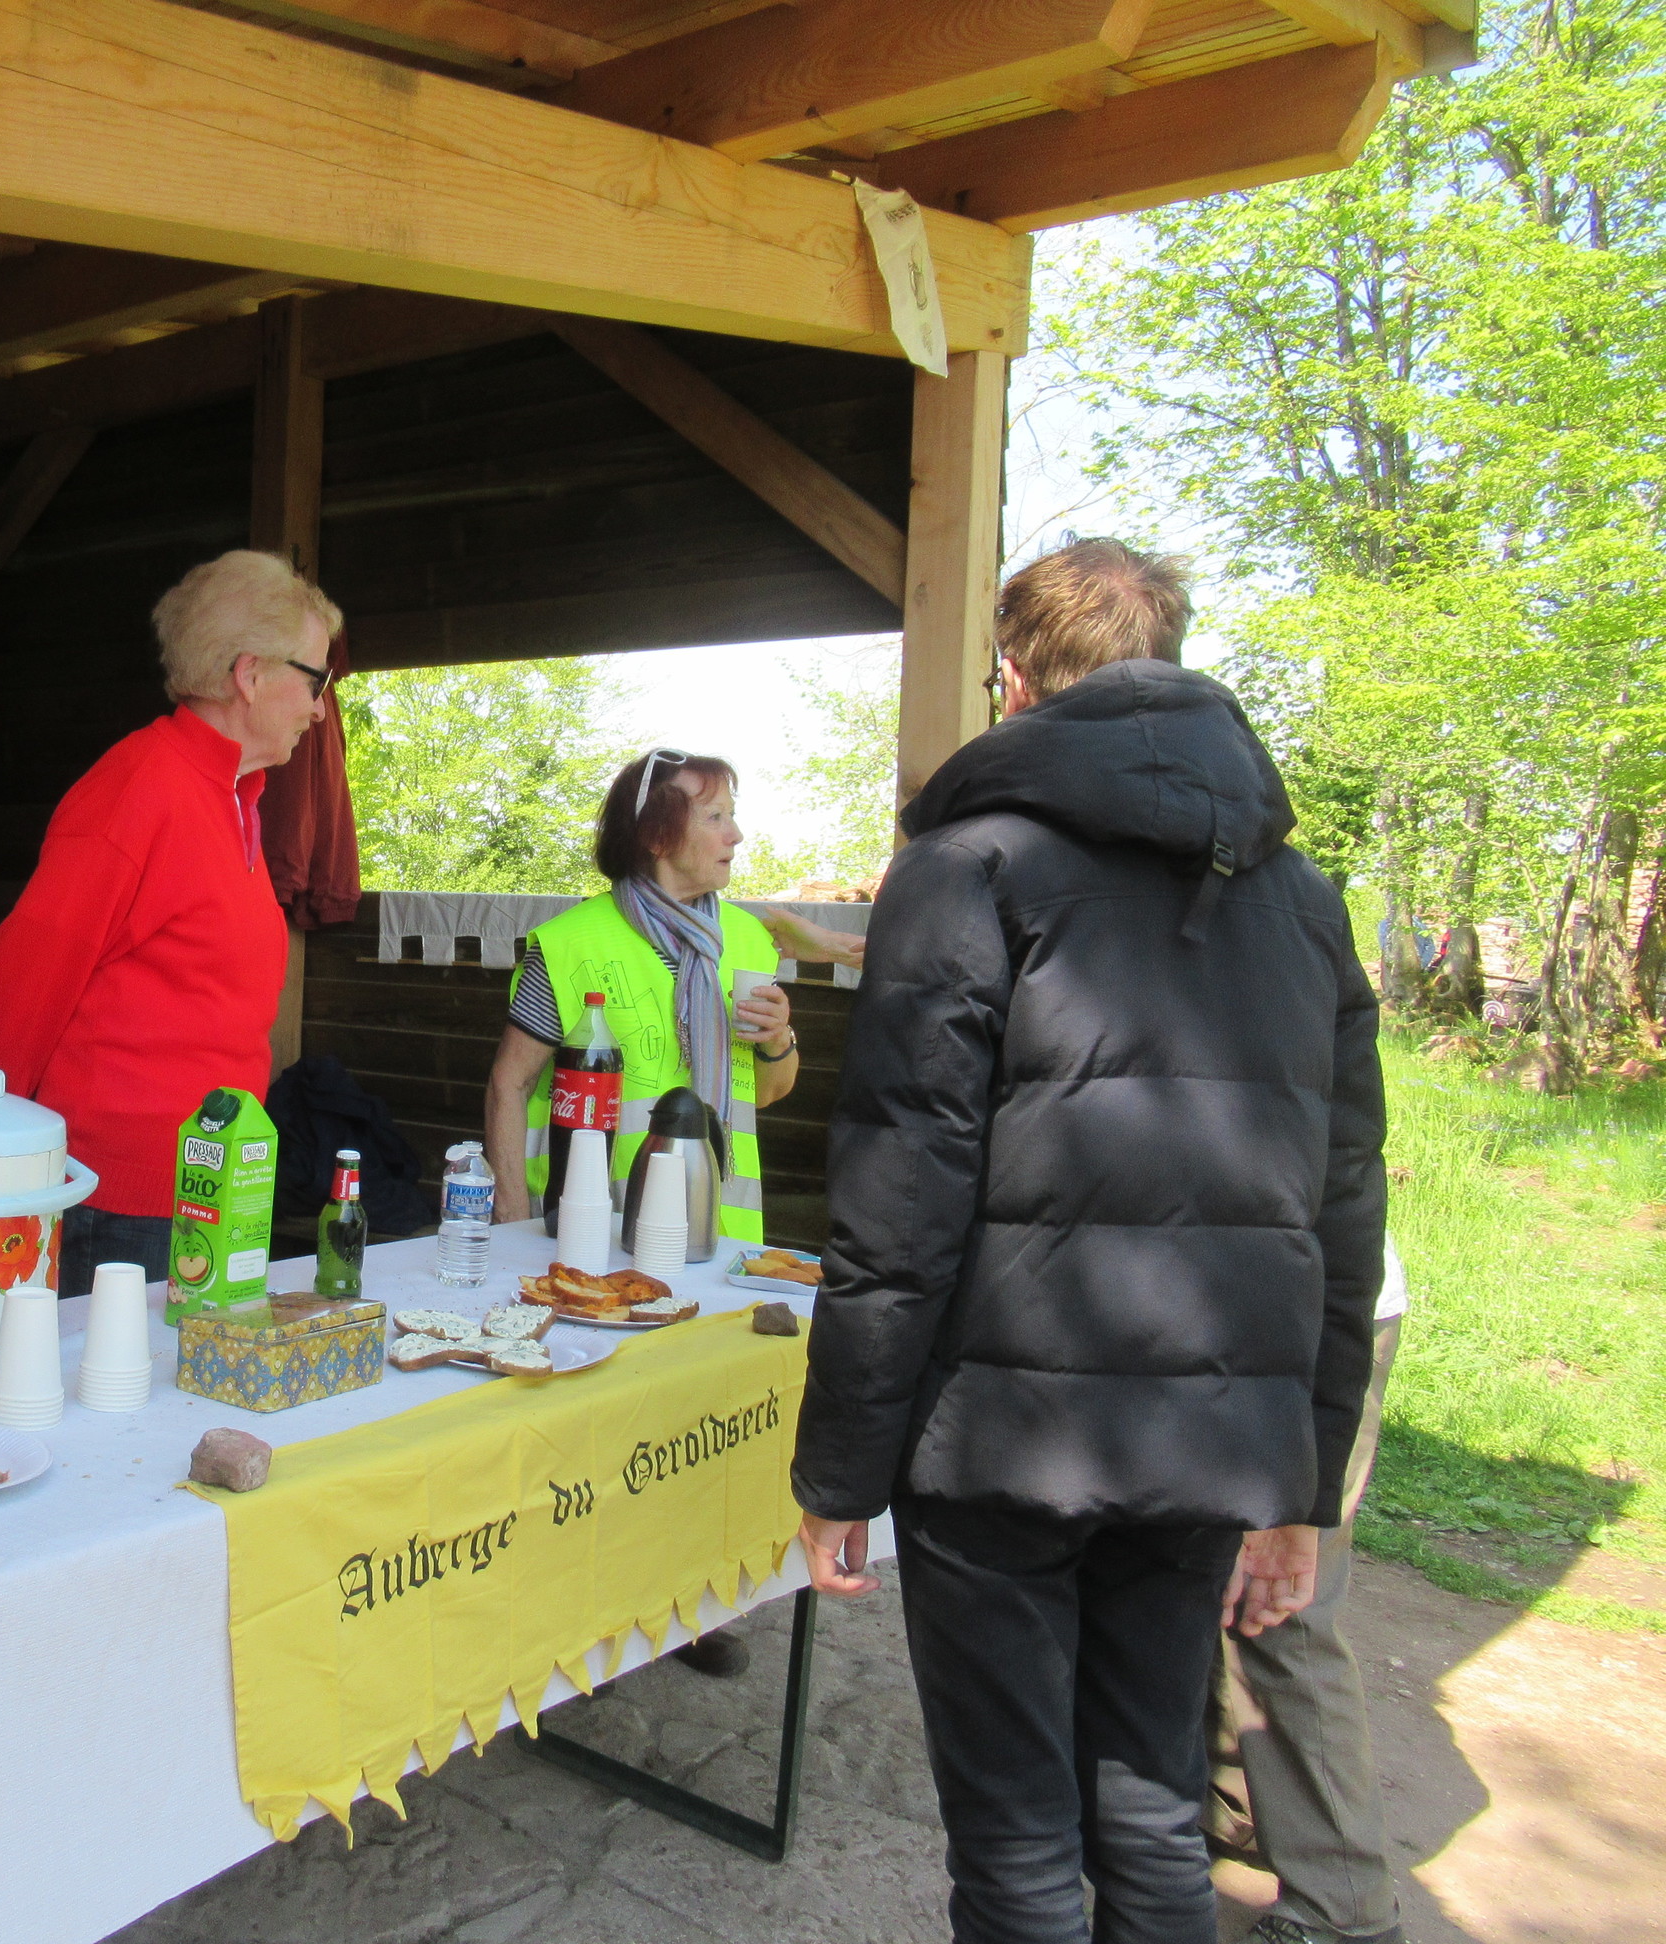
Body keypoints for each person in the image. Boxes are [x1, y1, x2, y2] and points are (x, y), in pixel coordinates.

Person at [789, 538, 1387, 1943]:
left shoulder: (963, 867)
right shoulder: (1304, 901)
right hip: (1207, 1441)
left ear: (1013, 677)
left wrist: (839, 1471)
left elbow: (899, 1196)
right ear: (1168, 658)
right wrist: (1302, 1481)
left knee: (1018, 1850)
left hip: (1001, 1443)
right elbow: (1345, 1207)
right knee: (1153, 1816)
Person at [0, 550, 339, 1295]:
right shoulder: (139, 788)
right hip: (117, 1204)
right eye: (316, 681)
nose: (319, 708)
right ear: (249, 674)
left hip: (209, 1185)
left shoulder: (234, 797)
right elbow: (18, 991)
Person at [479, 750, 865, 1248]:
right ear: (657, 836)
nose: (736, 834)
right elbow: (510, 1083)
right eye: (715, 817)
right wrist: (510, 1218)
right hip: (590, 1226)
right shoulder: (570, 943)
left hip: (715, 1232)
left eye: (732, 814)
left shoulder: (748, 939)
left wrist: (777, 1040)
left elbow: (766, 1093)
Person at [1207, 1238, 1412, 1944]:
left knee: (1278, 1605)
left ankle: (1344, 1905)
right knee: (1215, 1581)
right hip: (1248, 1309)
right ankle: (1237, 1809)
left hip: (1312, 1321)